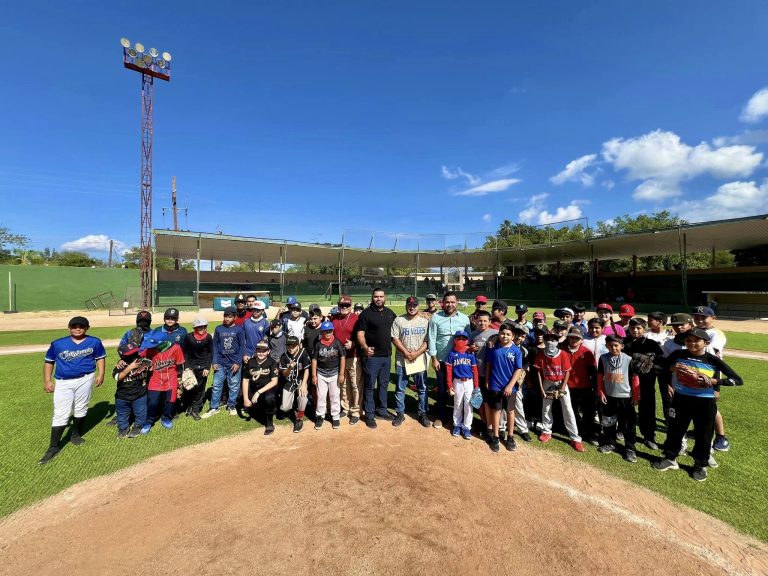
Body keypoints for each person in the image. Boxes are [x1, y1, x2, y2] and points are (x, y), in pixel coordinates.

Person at [652, 328, 743, 481]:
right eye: (688, 340)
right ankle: (670, 458)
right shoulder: (678, 355)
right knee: (675, 431)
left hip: (704, 403)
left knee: (704, 435)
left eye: (696, 340)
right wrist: (672, 369)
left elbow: (737, 380)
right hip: (681, 400)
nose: (692, 343)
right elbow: (661, 368)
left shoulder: (712, 360)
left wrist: (714, 382)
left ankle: (699, 465)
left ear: (705, 343)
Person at [39, 316, 106, 465]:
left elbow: (100, 358)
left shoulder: (94, 342)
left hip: (86, 378)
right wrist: (47, 380)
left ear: (87, 328)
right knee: (61, 413)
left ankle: (75, 435)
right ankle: (54, 446)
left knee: (81, 407)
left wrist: (101, 374)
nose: (77, 328)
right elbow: (49, 362)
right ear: (69, 327)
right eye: (74, 326)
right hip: (63, 381)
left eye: (81, 326)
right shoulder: (58, 344)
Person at [427, 291, 471, 427]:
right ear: (442, 303)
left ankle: (460, 418)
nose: (450, 304)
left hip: (460, 362)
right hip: (441, 360)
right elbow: (432, 338)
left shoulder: (464, 319)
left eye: (452, 302)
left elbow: (468, 339)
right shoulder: (435, 317)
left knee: (460, 390)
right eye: (447, 302)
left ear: (457, 302)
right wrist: (433, 358)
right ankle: (441, 416)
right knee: (441, 390)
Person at [534, 333, 584, 452]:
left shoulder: (563, 354)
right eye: (548, 339)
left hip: (561, 382)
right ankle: (546, 432)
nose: (551, 342)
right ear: (544, 341)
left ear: (558, 341)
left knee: (568, 409)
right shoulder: (541, 354)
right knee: (546, 408)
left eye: (553, 340)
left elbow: (567, 372)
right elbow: (539, 373)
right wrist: (541, 389)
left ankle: (575, 438)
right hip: (547, 382)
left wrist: (562, 388)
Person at [356, 288, 397, 428]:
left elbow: (399, 327)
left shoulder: (390, 313)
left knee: (383, 385)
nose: (378, 299)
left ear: (385, 297)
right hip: (372, 357)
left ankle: (382, 410)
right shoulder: (366, 314)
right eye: (376, 297)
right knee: (369, 386)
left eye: (381, 296)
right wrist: (365, 347)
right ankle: (369, 414)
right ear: (372, 298)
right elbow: (360, 334)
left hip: (386, 356)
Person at [691, 306, 730, 452]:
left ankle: (721, 437)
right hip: (694, 373)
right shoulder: (695, 331)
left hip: (711, 374)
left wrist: (717, 387)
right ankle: (697, 430)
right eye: (697, 317)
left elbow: (712, 356)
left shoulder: (716, 334)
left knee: (711, 408)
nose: (699, 320)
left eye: (703, 317)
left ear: (713, 318)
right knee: (696, 404)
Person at [596, 335, 639, 463]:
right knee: (609, 421)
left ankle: (630, 448)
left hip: (625, 397)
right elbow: (600, 375)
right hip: (609, 396)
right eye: (610, 345)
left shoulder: (628, 359)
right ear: (606, 346)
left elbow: (635, 378)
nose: (613, 348)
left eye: (616, 345)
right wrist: (600, 392)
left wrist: (636, 396)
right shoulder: (603, 358)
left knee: (628, 424)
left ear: (622, 346)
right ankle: (610, 442)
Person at [623, 317, 664, 450]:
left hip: (647, 382)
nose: (635, 330)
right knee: (627, 408)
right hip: (627, 382)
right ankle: (623, 430)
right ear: (628, 328)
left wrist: (651, 367)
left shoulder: (652, 344)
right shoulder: (624, 343)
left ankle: (649, 436)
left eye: (638, 328)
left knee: (647, 409)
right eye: (632, 327)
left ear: (644, 329)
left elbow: (660, 362)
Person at [484, 323, 524, 453]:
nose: (504, 336)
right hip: (495, 385)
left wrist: (510, 385)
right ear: (498, 334)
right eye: (502, 333)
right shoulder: (493, 348)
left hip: (510, 388)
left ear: (513, 336)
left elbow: (518, 369)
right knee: (496, 411)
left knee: (510, 412)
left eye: (508, 334)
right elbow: (489, 365)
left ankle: (510, 436)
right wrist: (487, 380)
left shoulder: (516, 350)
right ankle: (496, 436)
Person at [391, 296, 429, 427]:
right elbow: (395, 338)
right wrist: (406, 353)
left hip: (419, 359)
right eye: (409, 305)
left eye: (415, 305)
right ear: (406, 306)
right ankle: (400, 413)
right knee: (400, 388)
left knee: (422, 389)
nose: (412, 307)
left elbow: (427, 341)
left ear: (418, 306)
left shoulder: (425, 321)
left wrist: (416, 353)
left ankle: (422, 413)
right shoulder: (399, 320)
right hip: (402, 360)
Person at [202, 307, 245, 418]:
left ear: (235, 317)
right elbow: (215, 346)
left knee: (234, 385)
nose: (227, 319)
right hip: (220, 362)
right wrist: (214, 361)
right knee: (216, 385)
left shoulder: (239, 330)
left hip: (234, 363)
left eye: (230, 317)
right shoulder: (219, 329)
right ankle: (214, 407)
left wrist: (238, 362)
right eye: (225, 316)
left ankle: (231, 405)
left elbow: (242, 347)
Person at [562, 327, 597, 445]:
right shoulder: (562, 350)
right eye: (571, 337)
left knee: (588, 412)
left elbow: (593, 371)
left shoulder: (586, 352)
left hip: (584, 386)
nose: (573, 340)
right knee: (571, 410)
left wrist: (594, 386)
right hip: (567, 387)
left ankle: (590, 433)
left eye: (576, 338)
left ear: (582, 339)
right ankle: (574, 431)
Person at [142, 337, 185, 433]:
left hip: (171, 379)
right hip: (155, 379)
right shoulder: (150, 349)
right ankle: (148, 421)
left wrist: (180, 382)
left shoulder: (176, 348)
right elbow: (138, 356)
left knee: (171, 401)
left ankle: (166, 418)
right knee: (152, 402)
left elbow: (179, 366)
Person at [332, 294, 361, 425]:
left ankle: (355, 410)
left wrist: (354, 343)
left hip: (354, 356)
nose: (344, 307)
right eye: (341, 305)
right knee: (343, 385)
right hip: (339, 357)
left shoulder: (356, 318)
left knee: (355, 385)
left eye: (346, 305)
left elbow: (363, 336)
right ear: (338, 306)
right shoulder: (334, 319)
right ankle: (346, 407)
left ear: (351, 306)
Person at [311, 321, 346, 429]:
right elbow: (314, 359)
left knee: (334, 396)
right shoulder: (318, 344)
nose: (328, 333)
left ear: (332, 331)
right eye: (326, 331)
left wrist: (341, 374)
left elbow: (342, 357)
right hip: (321, 373)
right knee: (321, 396)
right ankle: (320, 416)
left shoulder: (337, 342)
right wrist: (314, 375)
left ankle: (335, 416)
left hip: (334, 373)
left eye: (330, 330)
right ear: (322, 331)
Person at [112, 342, 150, 438]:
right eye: (130, 354)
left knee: (141, 413)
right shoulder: (120, 365)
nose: (134, 356)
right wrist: (130, 368)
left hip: (139, 395)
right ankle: (123, 428)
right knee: (122, 414)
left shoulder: (143, 362)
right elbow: (118, 377)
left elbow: (152, 364)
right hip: (122, 396)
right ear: (122, 355)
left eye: (135, 353)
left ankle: (137, 426)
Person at [446, 331, 479, 439]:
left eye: (463, 338)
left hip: (469, 382)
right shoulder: (451, 354)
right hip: (457, 382)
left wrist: (476, 386)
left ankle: (466, 427)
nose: (461, 340)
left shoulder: (470, 354)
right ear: (455, 340)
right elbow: (449, 371)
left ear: (467, 340)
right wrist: (449, 386)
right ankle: (457, 425)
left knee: (469, 405)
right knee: (458, 404)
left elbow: (475, 371)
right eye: (458, 338)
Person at [242, 340, 279, 435]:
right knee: (251, 407)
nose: (261, 353)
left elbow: (274, 381)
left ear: (268, 351)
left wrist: (258, 392)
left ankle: (269, 422)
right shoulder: (251, 362)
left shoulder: (272, 362)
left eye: (264, 351)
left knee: (269, 398)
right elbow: (245, 380)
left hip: (267, 389)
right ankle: (257, 407)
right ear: (255, 351)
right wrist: (245, 398)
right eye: (259, 350)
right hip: (254, 388)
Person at [469, 310, 497, 437]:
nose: (482, 323)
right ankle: (484, 423)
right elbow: (467, 349)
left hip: (491, 374)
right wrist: (470, 349)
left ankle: (492, 426)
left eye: (485, 320)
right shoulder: (473, 334)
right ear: (475, 321)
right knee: (478, 400)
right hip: (476, 373)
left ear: (490, 322)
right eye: (480, 320)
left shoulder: (494, 333)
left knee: (490, 401)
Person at [180, 316, 213, 421]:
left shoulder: (208, 337)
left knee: (200, 389)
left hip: (203, 367)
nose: (203, 329)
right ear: (195, 328)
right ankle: (188, 406)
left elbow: (210, 353)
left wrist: (207, 368)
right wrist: (186, 367)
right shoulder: (188, 337)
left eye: (204, 326)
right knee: (189, 387)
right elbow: (185, 352)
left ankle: (195, 410)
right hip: (191, 367)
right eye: (200, 327)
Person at [278, 335, 311, 433]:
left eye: (293, 345)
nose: (291, 348)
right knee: (285, 408)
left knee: (303, 395)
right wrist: (290, 368)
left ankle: (299, 418)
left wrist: (304, 384)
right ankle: (290, 407)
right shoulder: (284, 356)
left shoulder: (303, 352)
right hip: (289, 382)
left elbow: (306, 369)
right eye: (289, 345)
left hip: (300, 380)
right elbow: (284, 374)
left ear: (298, 345)